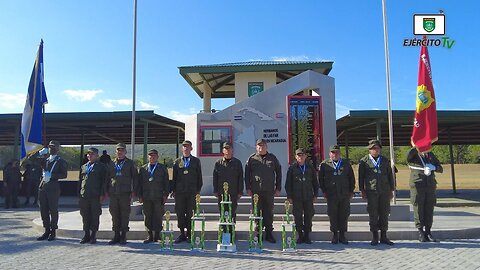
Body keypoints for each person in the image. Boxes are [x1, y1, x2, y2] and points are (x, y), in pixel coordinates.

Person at [358, 139, 395, 246]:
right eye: (373, 149)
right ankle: (375, 236)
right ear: (369, 150)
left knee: (384, 213)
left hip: (384, 190)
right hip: (371, 191)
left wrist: (391, 190)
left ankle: (384, 236)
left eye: (377, 148)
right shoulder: (364, 161)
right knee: (373, 213)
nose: (376, 150)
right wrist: (362, 190)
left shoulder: (384, 160)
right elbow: (361, 178)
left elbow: (390, 176)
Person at [245, 139, 282, 243]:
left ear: (266, 147)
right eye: (259, 146)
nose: (261, 148)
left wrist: (278, 188)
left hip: (269, 190)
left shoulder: (272, 158)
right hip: (256, 190)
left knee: (269, 212)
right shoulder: (252, 159)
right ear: (256, 147)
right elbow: (247, 174)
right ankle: (258, 233)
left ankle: (269, 233)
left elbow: (279, 173)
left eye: (263, 146)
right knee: (257, 211)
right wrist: (248, 188)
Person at [319, 145, 355, 244]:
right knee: (332, 214)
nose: (335, 154)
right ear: (329, 154)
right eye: (333, 152)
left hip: (344, 193)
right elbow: (321, 179)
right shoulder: (324, 164)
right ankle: (335, 234)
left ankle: (342, 235)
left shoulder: (346, 164)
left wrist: (351, 191)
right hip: (331, 194)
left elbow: (351, 178)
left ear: (340, 153)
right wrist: (324, 191)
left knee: (344, 214)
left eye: (337, 152)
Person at [407, 147, 443, 242]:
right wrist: (416, 146)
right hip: (418, 185)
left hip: (430, 185)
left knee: (429, 208)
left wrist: (434, 167)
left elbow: (440, 168)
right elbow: (408, 155)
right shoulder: (414, 155)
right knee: (418, 207)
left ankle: (428, 231)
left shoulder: (431, 155)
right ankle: (420, 232)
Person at [106, 143, 138, 245]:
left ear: (125, 152)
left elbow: (135, 178)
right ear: (116, 152)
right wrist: (106, 190)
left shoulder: (130, 163)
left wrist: (134, 191)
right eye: (118, 150)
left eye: (122, 150)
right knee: (114, 213)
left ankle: (123, 235)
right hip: (114, 192)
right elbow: (107, 178)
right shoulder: (111, 163)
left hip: (125, 192)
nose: (120, 152)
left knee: (124, 214)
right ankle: (116, 234)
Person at [285, 148, 319, 244]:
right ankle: (300, 235)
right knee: (297, 216)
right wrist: (289, 196)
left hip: (308, 196)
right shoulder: (292, 168)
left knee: (308, 215)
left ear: (305, 156)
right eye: (298, 155)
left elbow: (315, 182)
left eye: (302, 155)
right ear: (296, 157)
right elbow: (288, 183)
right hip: (297, 197)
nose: (300, 157)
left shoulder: (310, 167)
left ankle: (307, 235)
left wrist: (315, 194)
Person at [172, 140, 203, 243]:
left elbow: (199, 177)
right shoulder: (177, 162)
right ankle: (182, 233)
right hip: (180, 192)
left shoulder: (195, 161)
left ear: (191, 148)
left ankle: (189, 234)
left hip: (191, 192)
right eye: (184, 147)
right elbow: (174, 178)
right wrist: (174, 190)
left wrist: (197, 190)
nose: (186, 148)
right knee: (180, 213)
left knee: (190, 213)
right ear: (182, 149)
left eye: (188, 147)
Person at [37, 140, 68, 241]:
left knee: (53, 210)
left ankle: (53, 231)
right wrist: (39, 154)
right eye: (50, 147)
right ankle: (46, 230)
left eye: (53, 148)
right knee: (43, 209)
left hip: (53, 187)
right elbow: (30, 161)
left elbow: (64, 174)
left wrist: (52, 176)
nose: (51, 149)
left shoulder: (60, 161)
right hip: (43, 187)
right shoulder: (45, 160)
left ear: (57, 149)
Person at [137, 149, 169, 243]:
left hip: (158, 196)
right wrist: (139, 195)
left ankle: (157, 236)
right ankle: (150, 235)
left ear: (157, 157)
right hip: (146, 196)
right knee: (147, 216)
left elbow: (166, 182)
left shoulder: (162, 168)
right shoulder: (143, 169)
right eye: (150, 156)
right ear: (148, 157)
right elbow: (139, 183)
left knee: (158, 215)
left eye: (154, 156)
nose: (152, 157)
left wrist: (165, 194)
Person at [78, 147, 108, 244]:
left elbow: (104, 182)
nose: (90, 156)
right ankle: (86, 234)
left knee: (95, 215)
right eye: (88, 154)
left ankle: (93, 235)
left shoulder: (101, 167)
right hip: (84, 195)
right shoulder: (84, 166)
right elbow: (80, 181)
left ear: (97, 156)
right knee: (85, 215)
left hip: (95, 195)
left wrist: (102, 194)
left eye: (92, 154)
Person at [212, 142, 243, 223]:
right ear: (223, 150)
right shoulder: (218, 163)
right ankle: (223, 227)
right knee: (222, 210)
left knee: (232, 211)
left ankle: (231, 230)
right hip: (221, 192)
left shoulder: (237, 163)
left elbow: (240, 178)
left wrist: (240, 191)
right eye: (225, 149)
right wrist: (215, 190)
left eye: (229, 149)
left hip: (233, 192)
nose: (227, 151)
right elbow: (215, 178)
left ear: (232, 150)